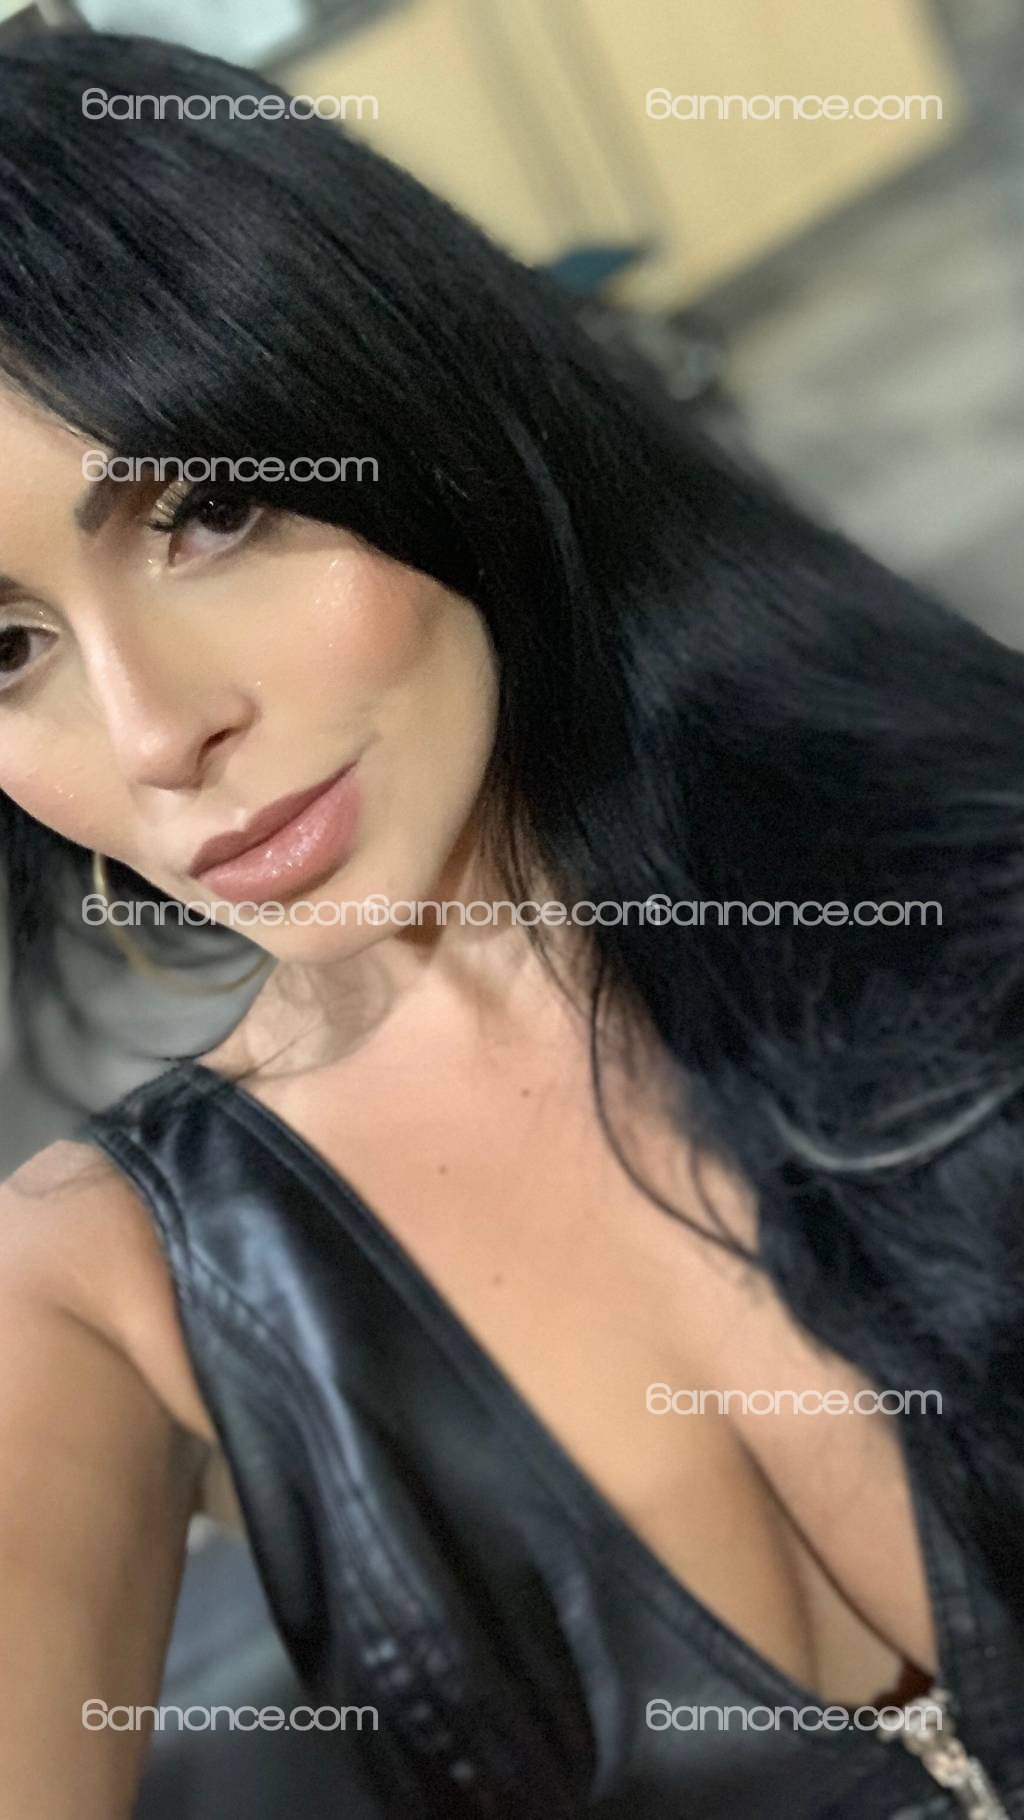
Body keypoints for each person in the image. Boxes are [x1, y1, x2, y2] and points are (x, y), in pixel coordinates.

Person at [0, 30, 1021, 1820]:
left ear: (418, 405)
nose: (158, 734)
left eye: (209, 513)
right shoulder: (98, 1289)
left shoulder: (966, 854)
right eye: (6, 650)